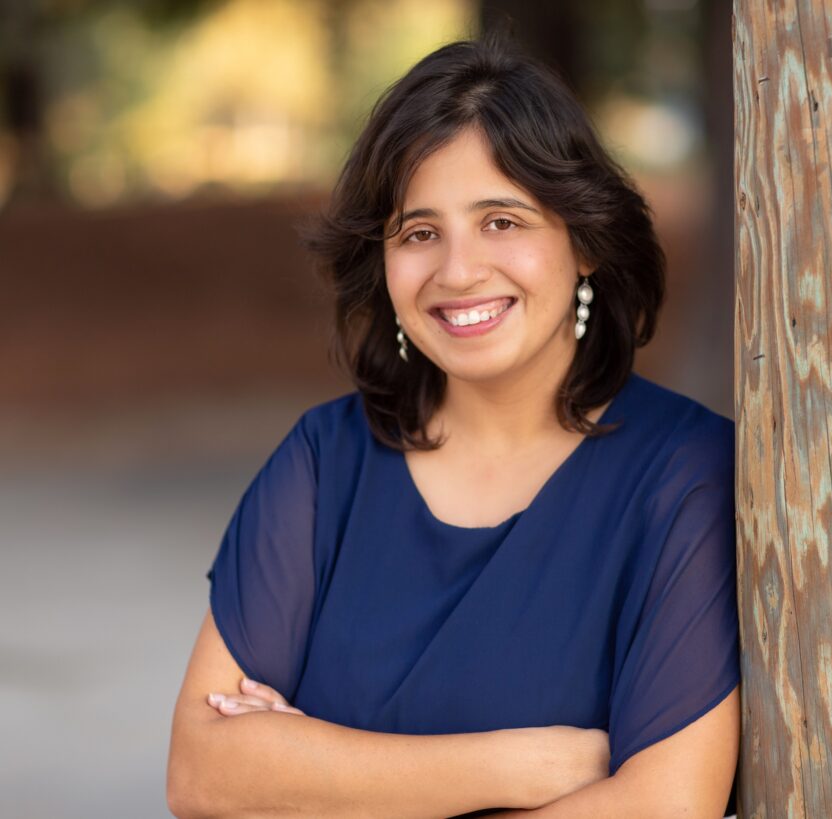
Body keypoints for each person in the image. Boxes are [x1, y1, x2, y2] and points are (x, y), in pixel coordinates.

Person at [167, 34, 740, 818]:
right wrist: (523, 765)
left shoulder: (687, 475)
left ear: (584, 242)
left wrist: (320, 779)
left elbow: (665, 806)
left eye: (502, 221)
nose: (458, 271)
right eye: (419, 232)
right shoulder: (323, 464)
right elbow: (203, 774)